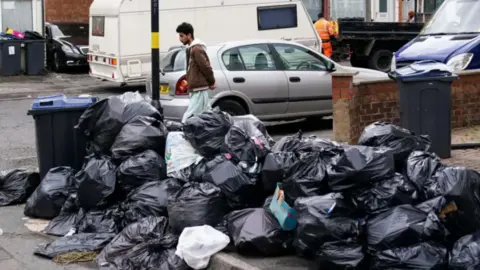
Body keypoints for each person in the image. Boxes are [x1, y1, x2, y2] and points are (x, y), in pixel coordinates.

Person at [176, 22, 216, 123]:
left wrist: (211, 82)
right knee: (206, 113)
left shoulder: (196, 49)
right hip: (196, 88)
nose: (180, 39)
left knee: (190, 115)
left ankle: (182, 130)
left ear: (189, 35)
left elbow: (205, 67)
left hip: (199, 88)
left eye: (182, 36)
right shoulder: (191, 49)